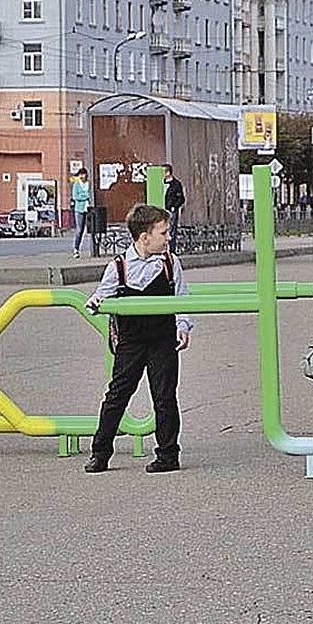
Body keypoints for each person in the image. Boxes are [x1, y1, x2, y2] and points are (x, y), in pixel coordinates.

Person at [84, 203, 191, 474]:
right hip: (131, 341)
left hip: (163, 339)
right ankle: (100, 452)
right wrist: (95, 302)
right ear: (145, 237)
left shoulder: (170, 263)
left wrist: (183, 325)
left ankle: (168, 455)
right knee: (117, 395)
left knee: (165, 397)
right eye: (164, 233)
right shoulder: (119, 266)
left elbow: (182, 299)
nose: (169, 237)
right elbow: (102, 294)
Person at [163, 164, 185, 253]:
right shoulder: (159, 183)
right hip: (161, 209)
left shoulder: (176, 184)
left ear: (168, 173)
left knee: (171, 230)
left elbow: (181, 198)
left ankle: (171, 250)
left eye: (163, 172)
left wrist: (174, 207)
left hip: (171, 210)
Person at [71, 169, 93, 258]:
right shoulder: (76, 184)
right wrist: (86, 196)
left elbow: (91, 194)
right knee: (79, 230)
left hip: (88, 209)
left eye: (83, 174)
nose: (81, 176)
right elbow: (75, 196)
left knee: (91, 229)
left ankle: (93, 249)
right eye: (80, 175)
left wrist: (86, 195)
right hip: (79, 209)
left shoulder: (89, 184)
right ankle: (76, 249)